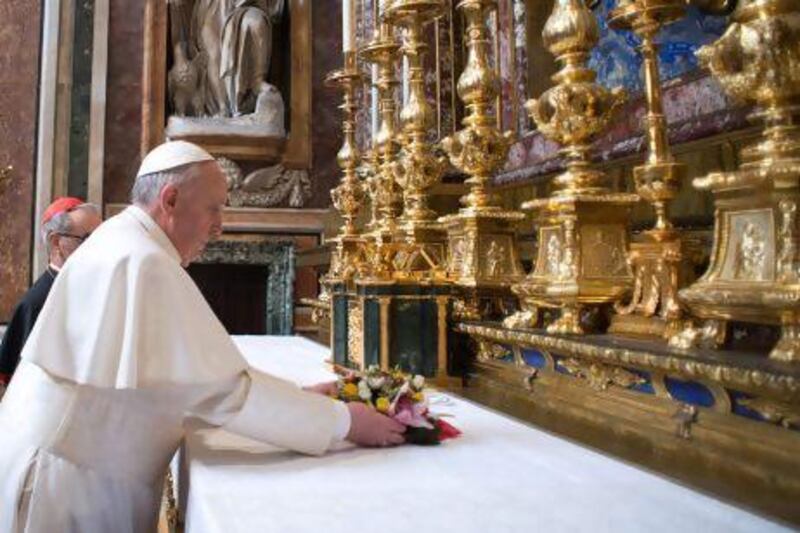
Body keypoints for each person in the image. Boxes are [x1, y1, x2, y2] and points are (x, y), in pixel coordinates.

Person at [0, 141, 405, 532]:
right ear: (171, 200)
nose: (219, 227)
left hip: (71, 465)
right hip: (66, 487)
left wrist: (302, 398)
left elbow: (180, 383)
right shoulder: (142, 260)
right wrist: (344, 422)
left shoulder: (125, 241)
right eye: (214, 209)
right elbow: (223, 392)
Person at [0, 198, 101, 387]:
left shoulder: (95, 287)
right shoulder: (37, 303)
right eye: (88, 238)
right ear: (56, 242)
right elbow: (24, 385)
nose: (99, 247)